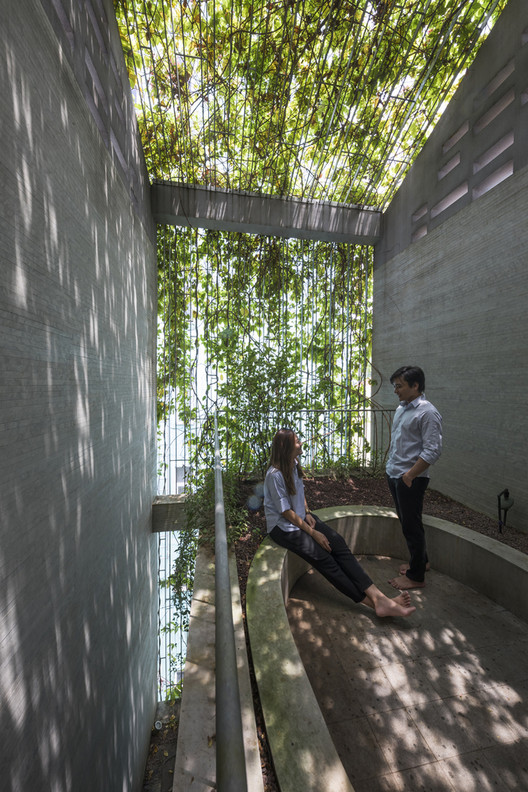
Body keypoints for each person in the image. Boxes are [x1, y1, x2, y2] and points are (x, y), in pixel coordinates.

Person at [264, 428, 416, 618]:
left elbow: (300, 492)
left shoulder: (293, 463)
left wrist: (308, 512)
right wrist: (313, 533)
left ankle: (380, 599)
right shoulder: (274, 475)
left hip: (301, 519)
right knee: (325, 559)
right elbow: (285, 512)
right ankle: (376, 604)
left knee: (338, 543)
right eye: (296, 441)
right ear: (284, 446)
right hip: (283, 527)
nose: (301, 442)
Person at [385, 365, 442, 590]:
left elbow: (433, 451)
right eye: (395, 386)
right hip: (395, 475)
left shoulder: (428, 413)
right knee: (408, 522)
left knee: (411, 526)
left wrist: (409, 475)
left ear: (415, 385)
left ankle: (416, 576)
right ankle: (422, 561)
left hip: (410, 479)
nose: (396, 390)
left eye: (399, 386)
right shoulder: (402, 409)